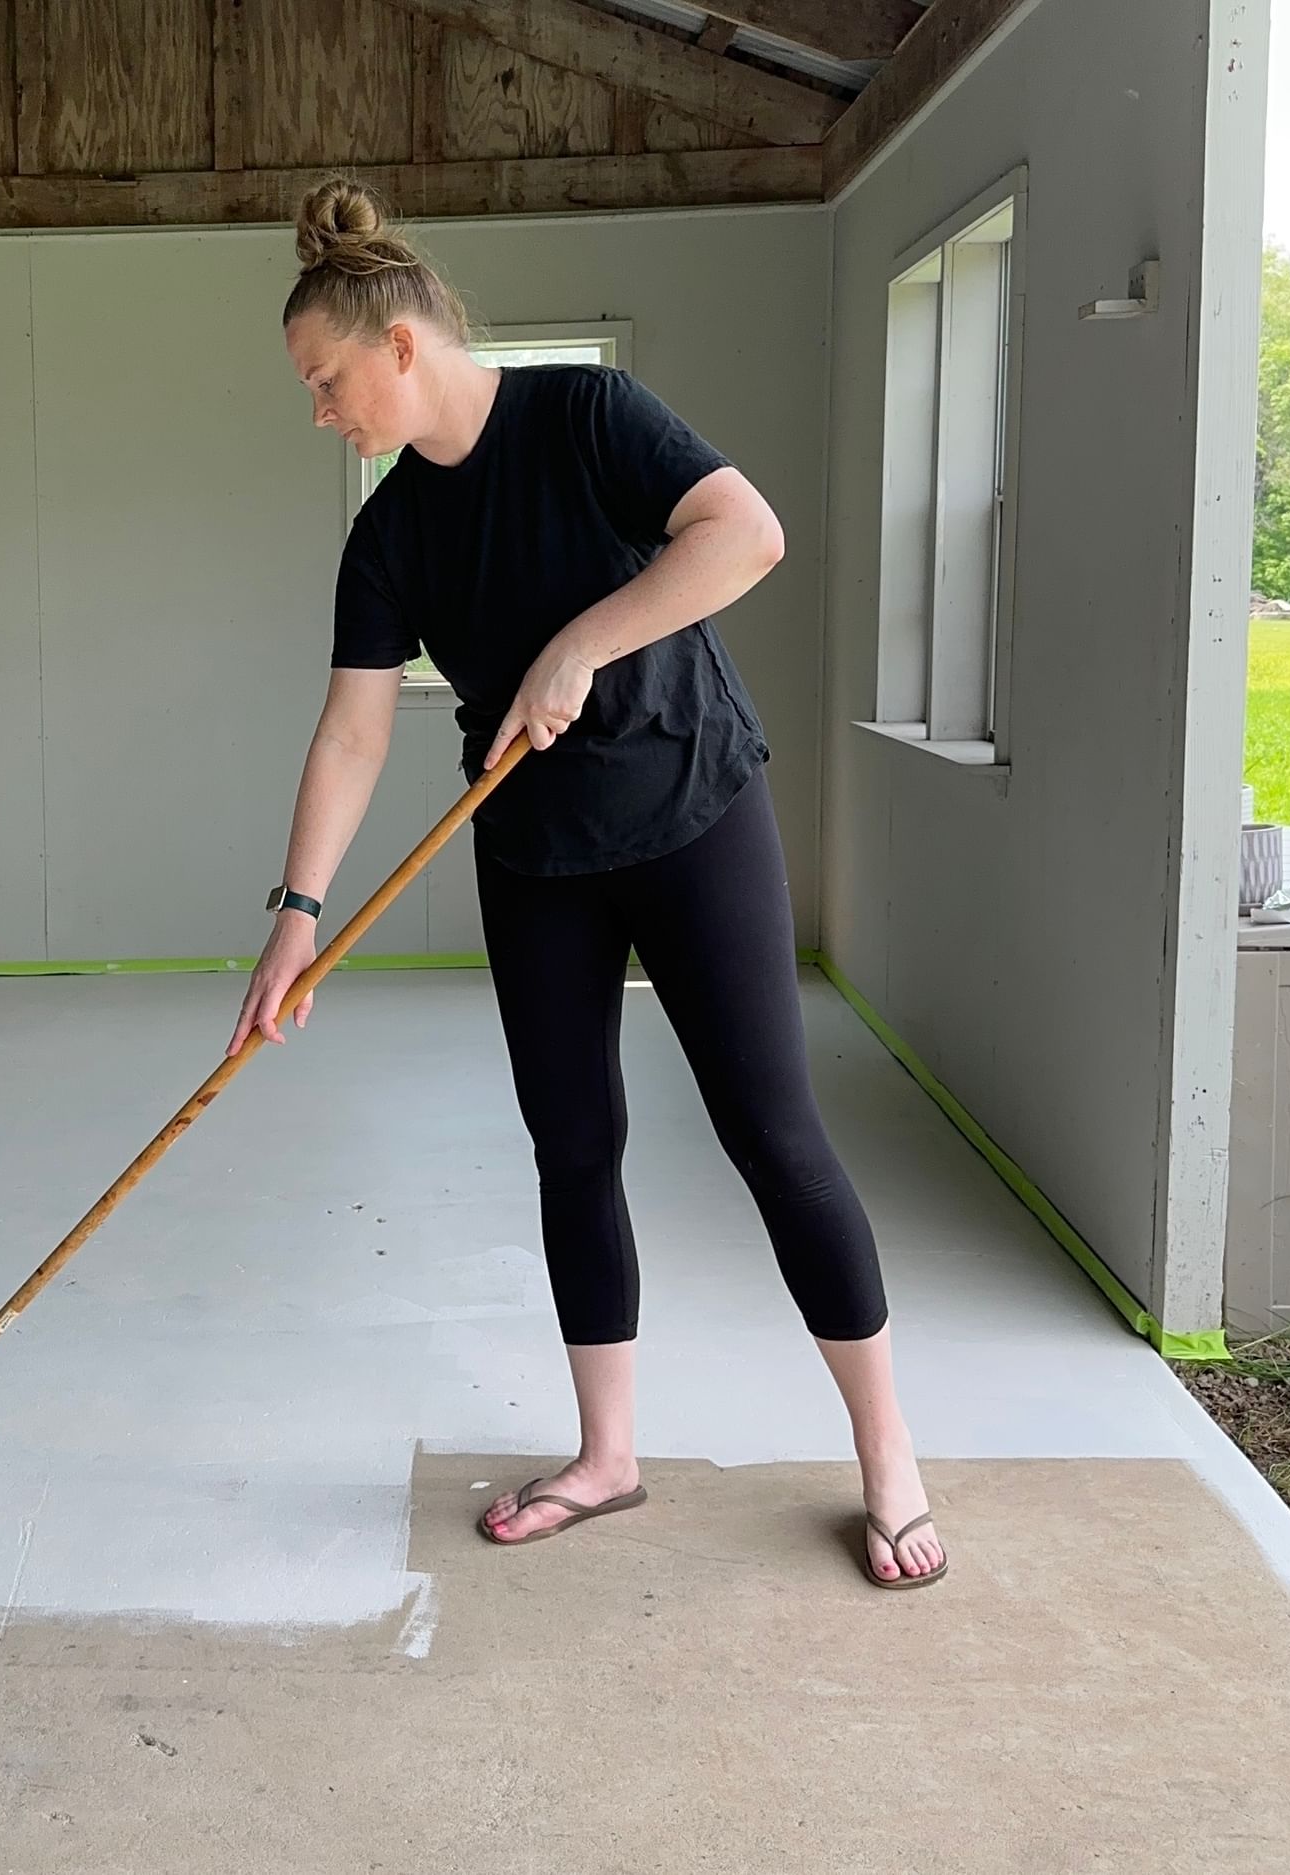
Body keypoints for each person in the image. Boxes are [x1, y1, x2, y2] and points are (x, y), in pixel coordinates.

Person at [226, 180, 946, 1589]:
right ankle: (607, 1455)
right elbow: (353, 733)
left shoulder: (586, 416)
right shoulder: (389, 536)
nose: (319, 413)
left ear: (399, 347)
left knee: (772, 1136)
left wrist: (580, 646)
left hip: (692, 814)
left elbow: (744, 535)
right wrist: (295, 921)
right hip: (536, 857)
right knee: (574, 1149)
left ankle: (888, 1456)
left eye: (325, 382)